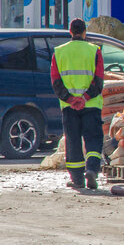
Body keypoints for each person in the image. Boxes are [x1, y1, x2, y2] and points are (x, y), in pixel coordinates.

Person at [50, 18, 106, 189]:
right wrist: (85, 97)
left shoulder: (59, 52)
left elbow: (56, 82)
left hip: (69, 107)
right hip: (91, 105)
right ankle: (92, 170)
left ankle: (77, 178)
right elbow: (99, 80)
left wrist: (70, 99)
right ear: (84, 32)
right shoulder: (94, 51)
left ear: (70, 32)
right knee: (94, 139)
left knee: (73, 141)